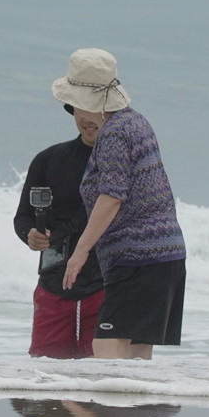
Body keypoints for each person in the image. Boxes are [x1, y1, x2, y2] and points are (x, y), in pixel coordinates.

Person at [55, 49, 186, 360]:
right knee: (137, 358)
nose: (76, 113)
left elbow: (112, 196)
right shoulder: (136, 122)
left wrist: (80, 251)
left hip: (136, 257)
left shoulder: (114, 133)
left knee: (106, 350)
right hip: (167, 255)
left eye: (76, 104)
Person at [13, 113, 105, 359]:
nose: (88, 119)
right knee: (45, 375)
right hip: (54, 286)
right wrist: (30, 235)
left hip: (106, 288)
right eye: (81, 110)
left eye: (95, 111)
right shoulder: (48, 159)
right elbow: (22, 216)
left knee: (104, 378)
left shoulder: (121, 163)